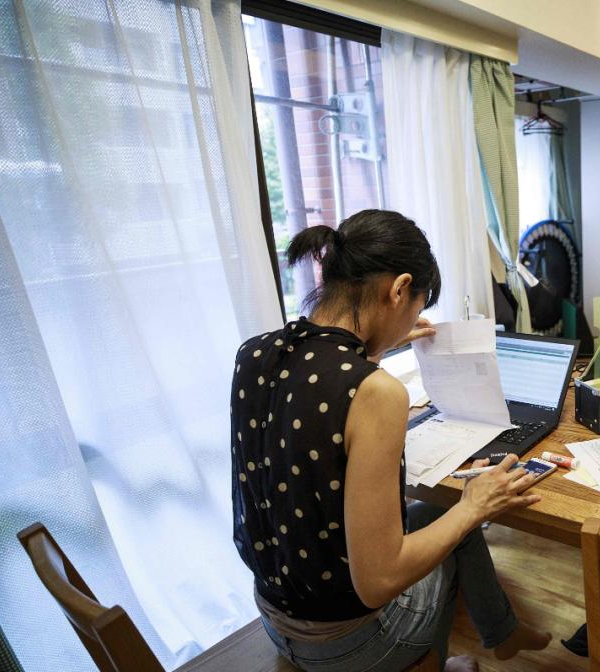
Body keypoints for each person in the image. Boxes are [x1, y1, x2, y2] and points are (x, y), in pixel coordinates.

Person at [230, 209, 550, 671]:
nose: (414, 321)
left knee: (437, 514)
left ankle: (502, 633)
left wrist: (379, 346)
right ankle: (435, 660)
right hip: (347, 642)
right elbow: (379, 580)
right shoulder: (375, 392)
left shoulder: (255, 353)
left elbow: (318, 393)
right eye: (417, 309)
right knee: (458, 525)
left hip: (276, 617)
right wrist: (474, 508)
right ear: (399, 289)